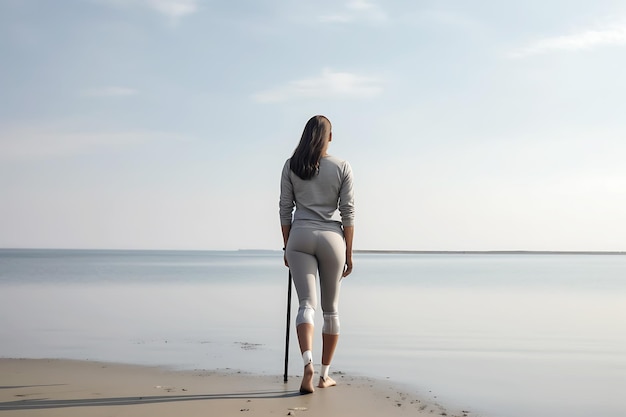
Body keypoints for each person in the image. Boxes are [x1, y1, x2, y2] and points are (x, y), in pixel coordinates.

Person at [279, 115, 355, 394]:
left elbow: (284, 209)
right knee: (331, 309)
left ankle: (307, 362)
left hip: (299, 236)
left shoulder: (291, 166)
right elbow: (348, 212)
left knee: (306, 305)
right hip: (332, 239)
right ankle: (324, 375)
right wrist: (349, 251)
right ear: (329, 137)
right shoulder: (342, 166)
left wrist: (287, 245)